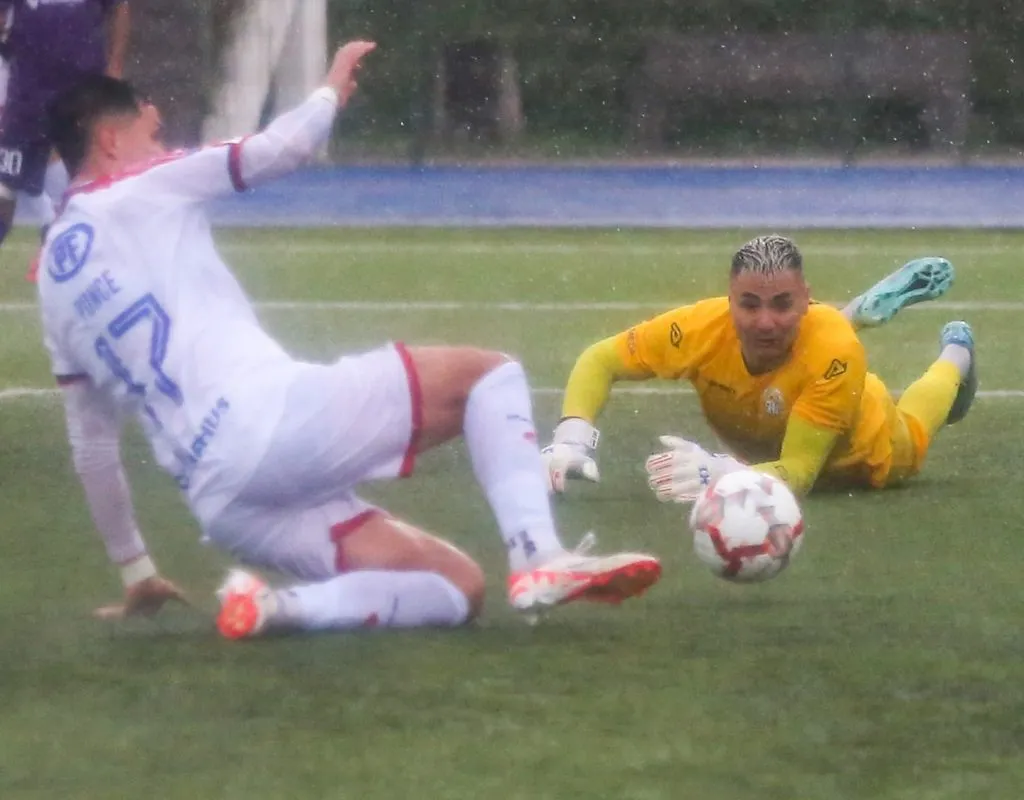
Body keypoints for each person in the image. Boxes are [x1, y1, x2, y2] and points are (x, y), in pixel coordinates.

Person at [37, 41, 661, 639]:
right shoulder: (141, 187)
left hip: (222, 499)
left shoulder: (52, 285)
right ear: (110, 140)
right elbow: (283, 148)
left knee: (454, 587)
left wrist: (136, 569)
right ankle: (539, 555)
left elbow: (92, 445)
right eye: (153, 134)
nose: (164, 146)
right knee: (489, 376)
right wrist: (331, 89)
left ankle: (276, 608)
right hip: (269, 427)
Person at [542, 233, 976, 501]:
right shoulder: (698, 327)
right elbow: (600, 360)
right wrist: (571, 440)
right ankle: (851, 313)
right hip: (812, 368)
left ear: (806, 296)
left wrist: (720, 472)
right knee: (809, 343)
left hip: (863, 452)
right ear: (728, 301)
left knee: (915, 431)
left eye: (782, 303)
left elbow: (800, 474)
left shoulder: (836, 354)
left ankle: (958, 353)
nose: (764, 321)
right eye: (749, 305)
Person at [0, 0, 129, 249]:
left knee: (99, 186)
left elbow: (120, 6)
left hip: (83, 89)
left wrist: (115, 66)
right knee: (4, 187)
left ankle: (106, 258)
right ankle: (53, 225)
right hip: (28, 91)